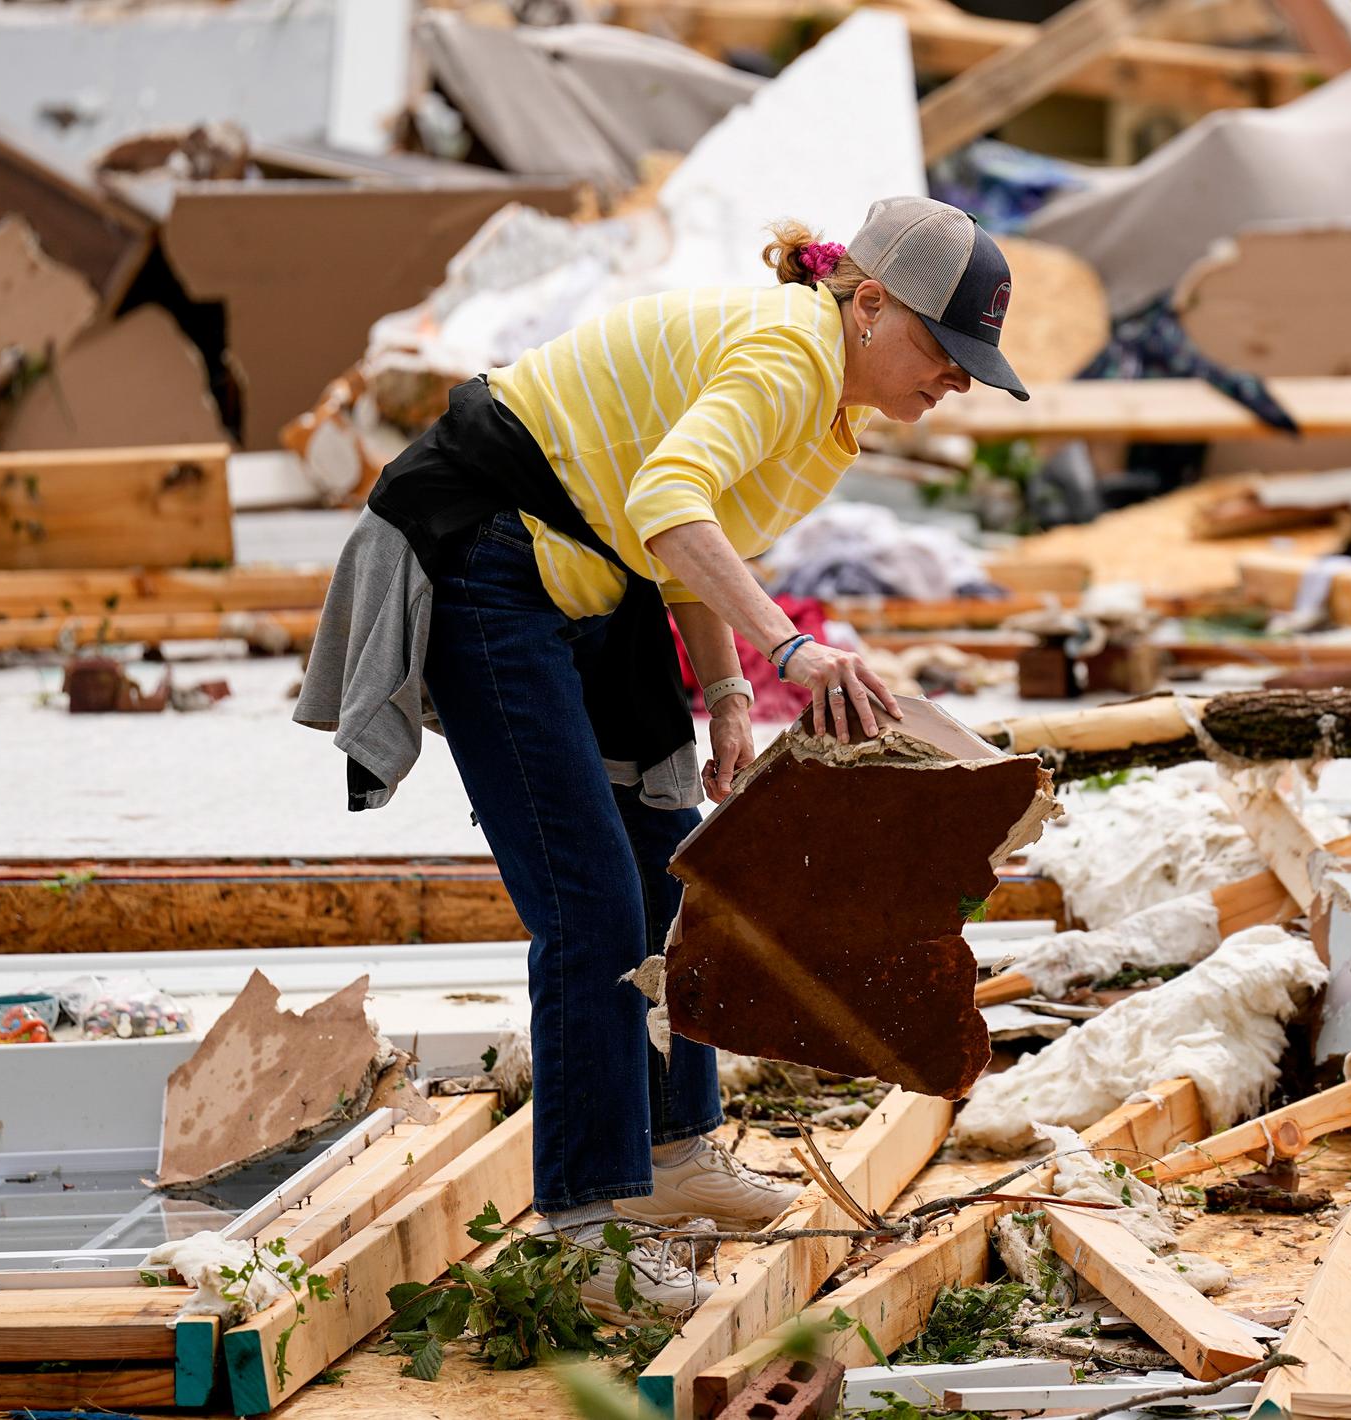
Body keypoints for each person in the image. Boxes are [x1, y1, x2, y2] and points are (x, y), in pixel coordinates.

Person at [296, 197, 1028, 1320]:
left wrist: (730, 690)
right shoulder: (790, 355)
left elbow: (687, 540)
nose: (957, 381)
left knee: (676, 858)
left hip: (591, 571)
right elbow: (667, 503)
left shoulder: (829, 407)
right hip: (489, 551)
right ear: (868, 304)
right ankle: (586, 1225)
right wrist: (788, 645)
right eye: (944, 350)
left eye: (972, 364)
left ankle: (678, 1149)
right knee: (587, 901)